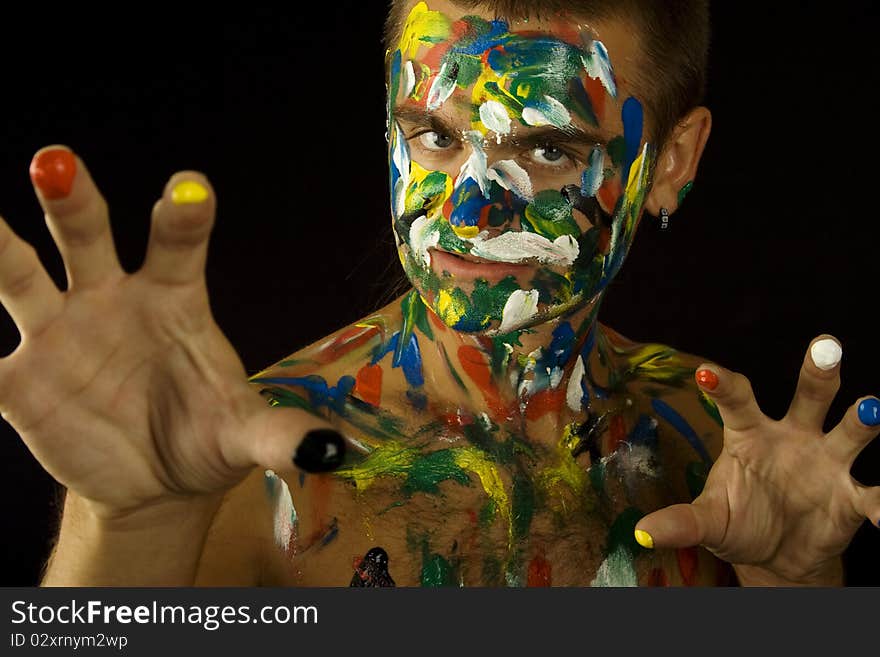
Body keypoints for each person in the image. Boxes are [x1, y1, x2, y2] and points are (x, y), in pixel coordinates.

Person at [2, 0, 877, 586]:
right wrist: (123, 525)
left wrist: (796, 592)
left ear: (671, 164)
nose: (467, 204)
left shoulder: (726, 458)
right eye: (433, 136)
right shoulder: (251, 462)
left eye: (548, 151)